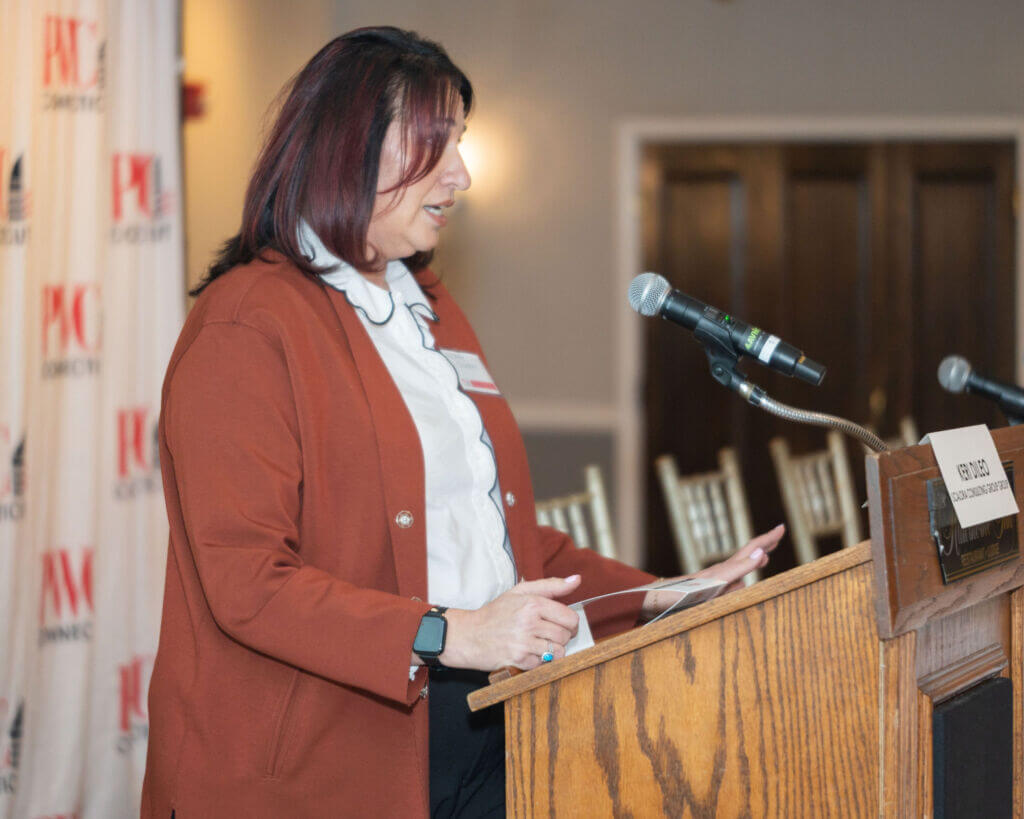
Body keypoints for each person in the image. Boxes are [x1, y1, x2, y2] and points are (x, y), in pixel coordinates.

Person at [141, 26, 783, 818]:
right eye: (435, 145)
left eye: (461, 144)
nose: (463, 175)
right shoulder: (248, 322)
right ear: (348, 147)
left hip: (480, 718)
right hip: (317, 761)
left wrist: (664, 595)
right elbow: (246, 582)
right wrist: (452, 633)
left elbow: (503, 539)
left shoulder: (430, 308)